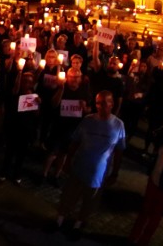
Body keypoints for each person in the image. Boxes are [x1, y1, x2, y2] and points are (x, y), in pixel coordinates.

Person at [52, 90, 125, 241]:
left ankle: (78, 225)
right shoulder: (87, 120)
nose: (100, 106)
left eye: (104, 103)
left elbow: (119, 151)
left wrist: (115, 172)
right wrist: (67, 161)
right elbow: (75, 141)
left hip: (98, 172)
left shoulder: (118, 125)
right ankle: (59, 220)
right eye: (98, 102)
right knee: (69, 195)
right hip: (79, 166)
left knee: (90, 201)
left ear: (112, 104)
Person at [129, 135, 163, 245]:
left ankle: (144, 240)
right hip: (153, 182)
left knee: (154, 217)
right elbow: (157, 145)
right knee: (144, 210)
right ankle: (133, 237)